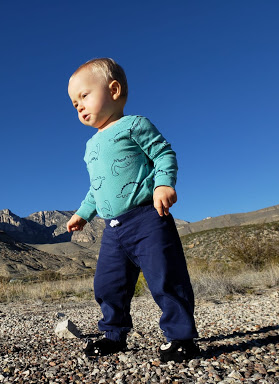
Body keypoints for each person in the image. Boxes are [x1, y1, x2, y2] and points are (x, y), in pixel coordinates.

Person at [66, 58, 199, 362]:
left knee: (166, 277)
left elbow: (164, 154)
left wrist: (163, 184)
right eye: (74, 104)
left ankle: (181, 338)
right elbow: (96, 186)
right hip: (113, 230)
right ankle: (113, 335)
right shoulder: (90, 146)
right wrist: (84, 213)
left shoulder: (135, 125)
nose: (79, 107)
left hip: (147, 220)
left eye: (84, 96)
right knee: (107, 284)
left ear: (113, 90)